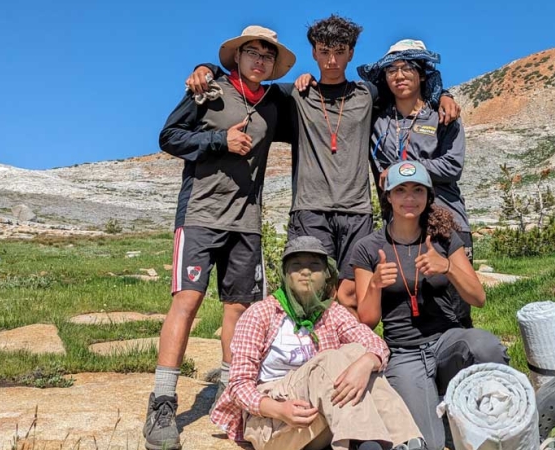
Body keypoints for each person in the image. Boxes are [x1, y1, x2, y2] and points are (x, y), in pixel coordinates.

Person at [185, 16, 462, 314]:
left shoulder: (367, 94)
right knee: (310, 293)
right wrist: (208, 68)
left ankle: (352, 355)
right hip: (310, 210)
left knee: (352, 293)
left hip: (356, 211)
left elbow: (408, 83)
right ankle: (310, 356)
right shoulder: (294, 95)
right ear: (314, 53)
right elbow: (245, 80)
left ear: (351, 53)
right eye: (324, 51)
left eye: (340, 51)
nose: (332, 60)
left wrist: (442, 95)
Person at [143, 26, 296, 450]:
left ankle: (235, 397)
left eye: (268, 55)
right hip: (200, 215)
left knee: (239, 311)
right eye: (253, 52)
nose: (260, 60)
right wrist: (219, 139)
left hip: (246, 222)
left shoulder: (274, 103)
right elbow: (169, 137)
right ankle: (162, 401)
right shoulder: (209, 90)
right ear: (238, 56)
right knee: (187, 300)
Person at [211, 235, 426, 450]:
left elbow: (375, 344)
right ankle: (367, 443)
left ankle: (407, 442)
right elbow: (238, 385)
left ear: (326, 275)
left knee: (357, 352)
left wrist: (367, 362)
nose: (305, 272)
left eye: (314, 266)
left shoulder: (332, 312)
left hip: (323, 413)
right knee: (331, 359)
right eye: (296, 266)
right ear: (286, 275)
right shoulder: (260, 314)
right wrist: (280, 410)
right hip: (275, 421)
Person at [350, 161, 509, 450]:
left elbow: (478, 298)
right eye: (401, 190)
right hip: (403, 352)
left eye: (417, 190)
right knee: (430, 444)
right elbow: (367, 322)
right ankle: (448, 414)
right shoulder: (368, 248)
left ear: (428, 196)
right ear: (388, 196)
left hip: (448, 340)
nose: (409, 198)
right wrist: (374, 285)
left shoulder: (444, 239)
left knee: (485, 346)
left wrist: (447, 266)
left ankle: (496, 421)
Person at [357, 39, 475, 327]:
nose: (399, 76)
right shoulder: (378, 121)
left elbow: (452, 166)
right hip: (401, 226)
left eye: (408, 68)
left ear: (422, 74)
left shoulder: (443, 117)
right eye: (392, 70)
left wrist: (404, 170)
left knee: (456, 306)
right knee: (406, 305)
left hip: (448, 220)